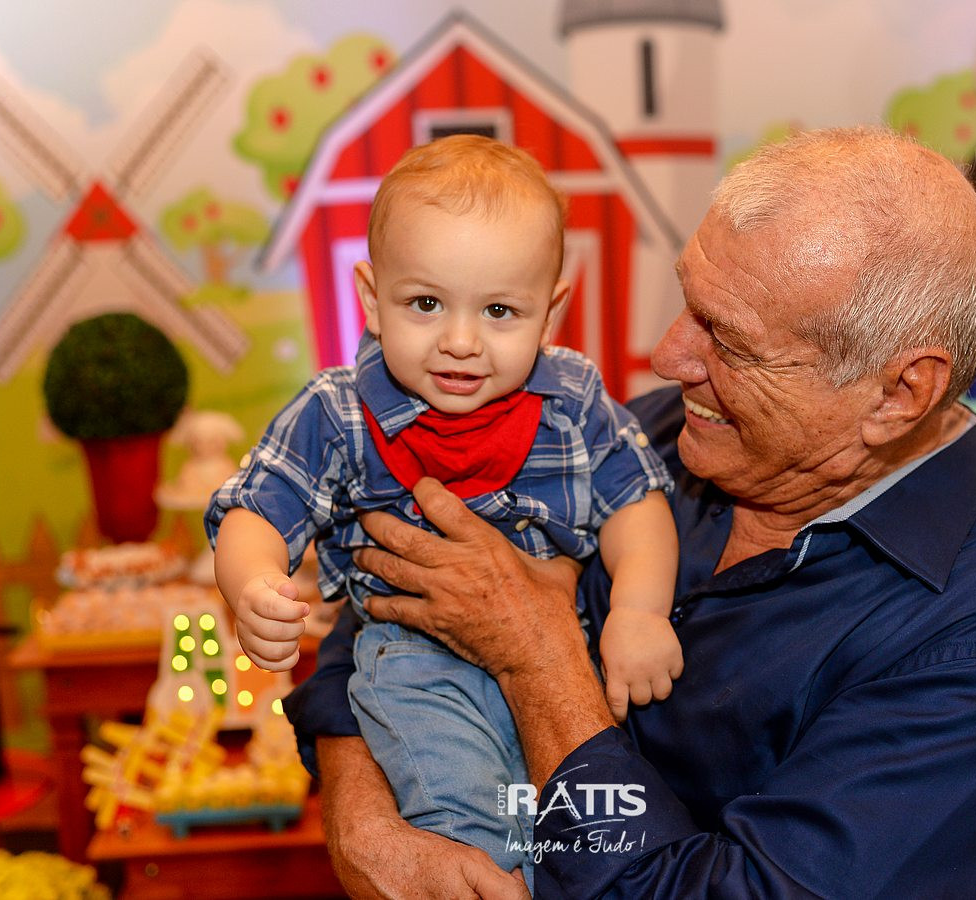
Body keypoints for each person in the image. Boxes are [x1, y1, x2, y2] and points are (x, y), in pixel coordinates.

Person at [286, 127, 976, 898]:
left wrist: (540, 663)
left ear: (898, 392)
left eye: (728, 342)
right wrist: (362, 821)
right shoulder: (659, 433)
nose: (668, 357)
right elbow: (398, 588)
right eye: (688, 302)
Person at [207, 135, 682, 885]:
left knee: (569, 841)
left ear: (549, 313)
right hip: (416, 667)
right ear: (372, 300)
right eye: (425, 303)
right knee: (470, 835)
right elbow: (257, 509)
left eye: (499, 310)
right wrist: (254, 583)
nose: (460, 342)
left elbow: (636, 505)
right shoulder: (338, 413)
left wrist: (639, 612)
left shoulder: (574, 400)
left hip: (569, 660)